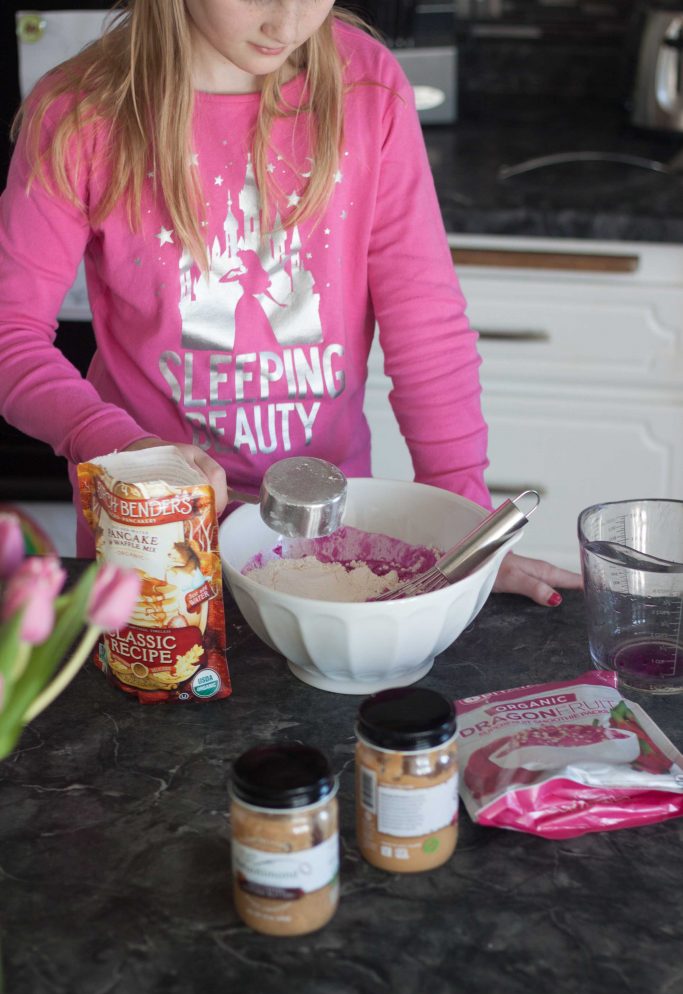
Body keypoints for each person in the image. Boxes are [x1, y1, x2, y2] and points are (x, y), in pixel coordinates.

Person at [0, 0, 580, 606]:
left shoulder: (367, 87)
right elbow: (11, 334)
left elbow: (427, 330)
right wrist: (123, 448)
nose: (288, 23)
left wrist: (470, 535)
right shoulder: (81, 111)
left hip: (329, 545)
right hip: (155, 540)